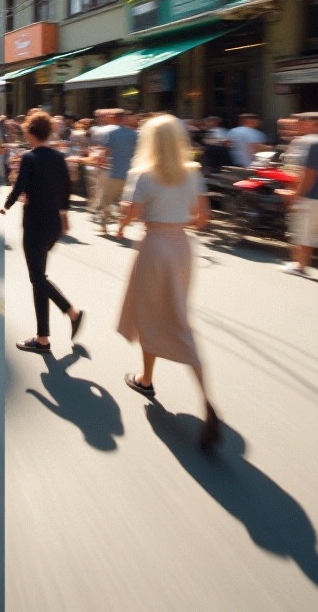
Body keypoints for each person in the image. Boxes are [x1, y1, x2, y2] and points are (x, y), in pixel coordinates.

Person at [115, 114, 221, 450]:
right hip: (182, 248)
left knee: (153, 313)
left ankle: (158, 382)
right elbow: (202, 218)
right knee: (175, 314)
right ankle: (177, 388)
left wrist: (124, 222)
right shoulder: (192, 173)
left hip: (154, 247)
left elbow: (130, 213)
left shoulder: (143, 174)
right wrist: (178, 218)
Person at [1, 110, 84, 354]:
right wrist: (65, 214)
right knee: (39, 278)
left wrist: (6, 205)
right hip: (53, 226)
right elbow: (66, 188)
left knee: (37, 278)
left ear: (28, 132)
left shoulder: (29, 158)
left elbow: (19, 186)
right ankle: (43, 339)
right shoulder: (60, 157)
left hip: (35, 224)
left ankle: (71, 311)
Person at [280, 113, 318, 277]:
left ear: (313, 123)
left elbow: (308, 173)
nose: (298, 126)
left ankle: (299, 265)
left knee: (303, 232)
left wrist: (296, 194)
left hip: (314, 196)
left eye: (302, 122)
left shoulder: (312, 142)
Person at [97, 110, 138, 237]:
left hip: (113, 171)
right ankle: (121, 228)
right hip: (129, 172)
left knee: (106, 201)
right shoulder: (134, 134)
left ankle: (103, 227)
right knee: (125, 202)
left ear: (115, 119)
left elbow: (104, 152)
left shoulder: (110, 132)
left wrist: (100, 164)